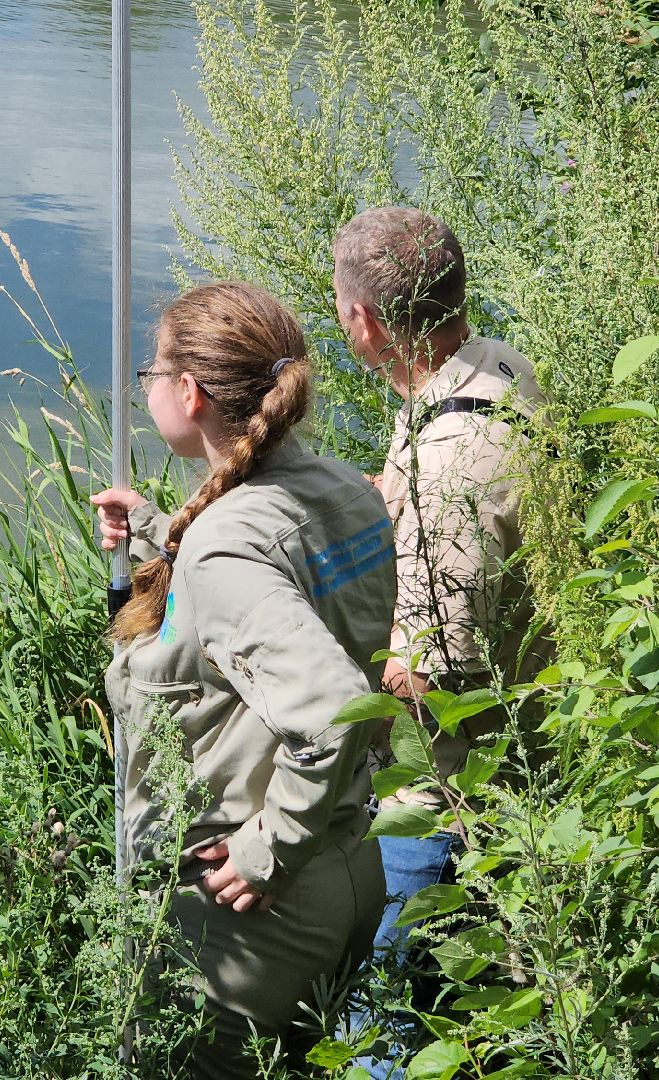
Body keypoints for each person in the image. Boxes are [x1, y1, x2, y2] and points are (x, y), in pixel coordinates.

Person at [91, 281, 397, 1078]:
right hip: (352, 864)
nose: (148, 388)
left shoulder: (226, 548)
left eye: (151, 374)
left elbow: (332, 709)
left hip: (252, 912)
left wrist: (269, 848)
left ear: (189, 393)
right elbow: (287, 587)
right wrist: (165, 531)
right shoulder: (338, 487)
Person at [330, 207, 546, 1007]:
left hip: (448, 811)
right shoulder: (497, 369)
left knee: (385, 1020)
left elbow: (428, 679)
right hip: (528, 764)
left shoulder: (446, 463)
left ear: (363, 321)